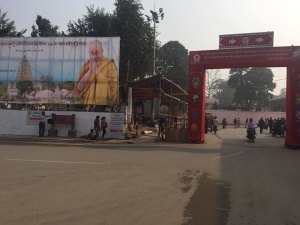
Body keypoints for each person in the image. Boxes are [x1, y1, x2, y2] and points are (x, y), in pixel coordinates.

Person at [74, 40, 118, 105]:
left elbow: (113, 91)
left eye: (97, 52)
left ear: (102, 51)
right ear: (89, 53)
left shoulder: (110, 66)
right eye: (92, 53)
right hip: (86, 106)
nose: (95, 56)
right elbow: (78, 89)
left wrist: (96, 72)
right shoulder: (86, 66)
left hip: (103, 107)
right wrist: (89, 71)